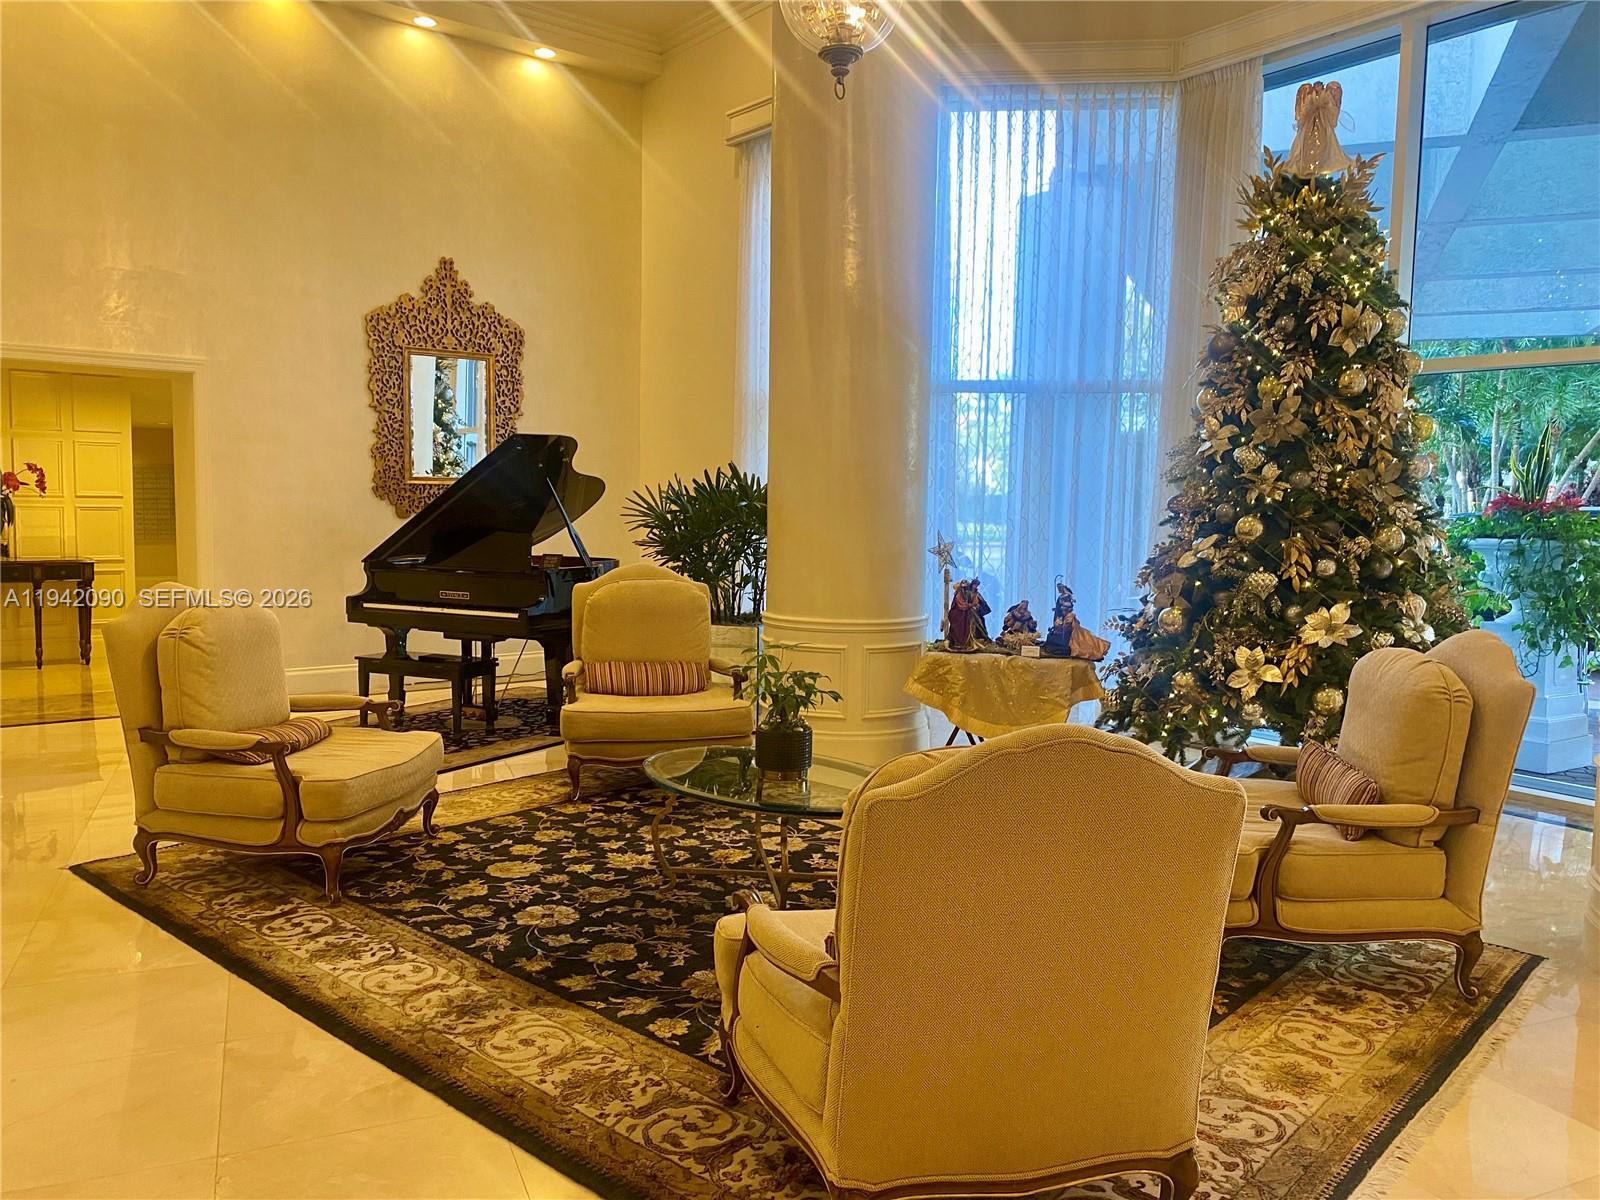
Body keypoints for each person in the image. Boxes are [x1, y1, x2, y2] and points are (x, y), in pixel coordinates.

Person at [1042, 579, 1110, 662]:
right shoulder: (1061, 598)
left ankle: (1098, 647)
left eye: (1060, 588)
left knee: (1082, 637)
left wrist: (1064, 609)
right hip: (1061, 621)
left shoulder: (1066, 598)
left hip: (1068, 629)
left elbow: (1068, 604)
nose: (1059, 589)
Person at [946, 578, 993, 652]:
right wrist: (970, 605)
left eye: (976, 585)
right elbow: (961, 604)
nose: (975, 586)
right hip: (960, 613)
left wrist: (975, 605)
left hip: (969, 611)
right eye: (974, 585)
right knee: (967, 624)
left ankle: (980, 638)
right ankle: (965, 642)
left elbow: (976, 601)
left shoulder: (974, 592)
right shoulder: (960, 593)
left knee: (979, 621)